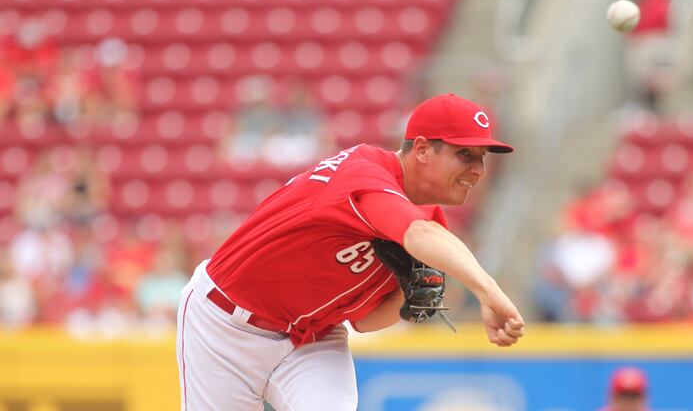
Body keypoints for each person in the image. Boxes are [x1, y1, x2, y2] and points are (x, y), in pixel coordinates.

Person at [176, 93, 525, 410]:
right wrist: (489, 292)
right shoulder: (364, 173)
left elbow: (363, 321)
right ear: (421, 149)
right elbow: (417, 233)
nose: (478, 170)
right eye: (464, 154)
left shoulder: (431, 227)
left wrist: (407, 301)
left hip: (313, 336)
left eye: (481, 158)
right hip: (224, 325)